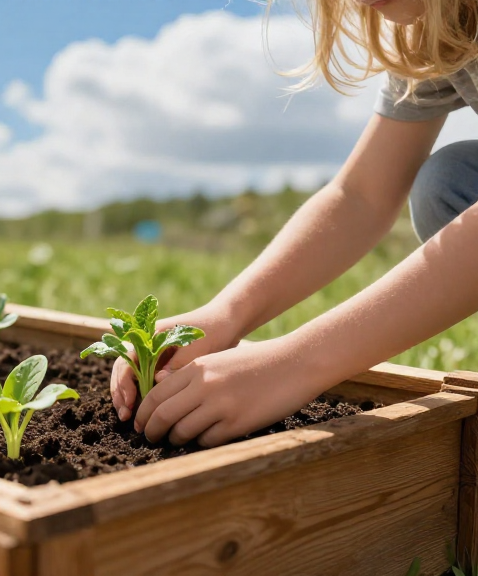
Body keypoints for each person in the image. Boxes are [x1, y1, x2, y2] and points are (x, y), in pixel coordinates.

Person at [111, 0, 478, 447]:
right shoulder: (438, 26)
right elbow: (362, 196)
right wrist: (226, 315)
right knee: (451, 183)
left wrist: (295, 363)